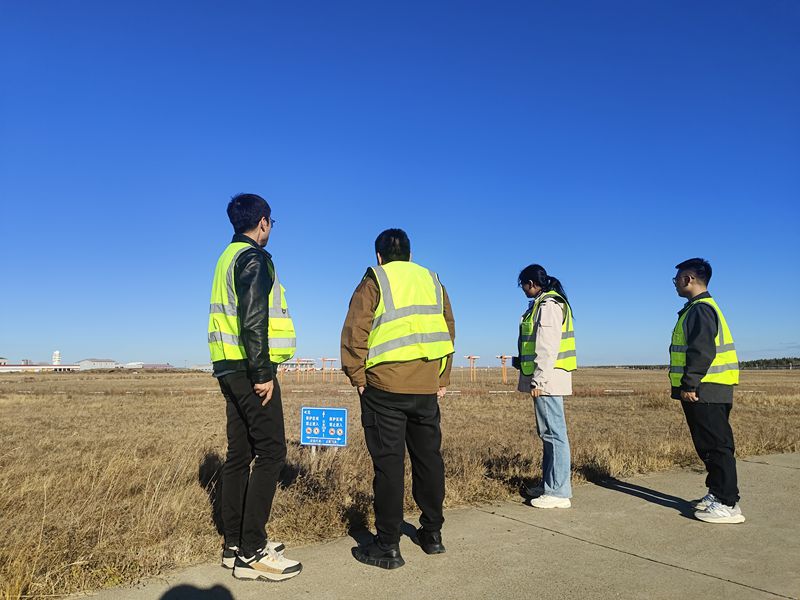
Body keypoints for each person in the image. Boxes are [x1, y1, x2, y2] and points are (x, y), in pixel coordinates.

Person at [341, 228, 456, 569]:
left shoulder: (375, 279)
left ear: (379, 255)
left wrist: (357, 377)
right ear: (409, 253)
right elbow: (447, 329)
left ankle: (388, 545)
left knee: (389, 466)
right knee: (428, 460)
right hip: (425, 388)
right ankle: (432, 535)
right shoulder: (433, 281)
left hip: (385, 389)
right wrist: (442, 377)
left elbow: (354, 330)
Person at [207, 193, 303, 581]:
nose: (270, 229)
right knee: (272, 452)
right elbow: (253, 318)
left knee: (239, 453)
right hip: (251, 370)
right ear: (262, 222)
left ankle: (234, 544)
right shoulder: (253, 258)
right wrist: (263, 372)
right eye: (271, 223)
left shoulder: (226, 256)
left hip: (228, 366)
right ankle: (252, 551)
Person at [670, 258, 744, 524]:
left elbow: (702, 350)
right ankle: (716, 493)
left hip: (706, 389)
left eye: (676, 278)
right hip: (708, 388)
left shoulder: (701, 309)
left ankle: (727, 503)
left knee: (716, 446)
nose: (675, 283)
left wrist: (690, 384)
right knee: (709, 446)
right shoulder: (698, 308)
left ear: (689, 278)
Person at [514, 264, 576, 509]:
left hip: (547, 380)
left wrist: (539, 379)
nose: (523, 290)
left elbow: (547, 346)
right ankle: (551, 484)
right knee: (548, 434)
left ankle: (559, 492)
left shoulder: (549, 305)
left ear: (532, 283)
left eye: (523, 285)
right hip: (545, 379)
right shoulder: (543, 304)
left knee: (554, 434)